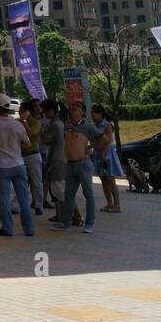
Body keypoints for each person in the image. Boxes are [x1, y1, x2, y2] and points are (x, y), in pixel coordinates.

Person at [0, 94, 35, 237]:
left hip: (1, 165)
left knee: (4, 198)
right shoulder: (17, 125)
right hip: (18, 164)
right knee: (23, 198)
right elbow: (28, 144)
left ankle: (7, 228)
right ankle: (29, 229)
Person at [52, 99, 104, 234]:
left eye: (77, 106)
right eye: (72, 105)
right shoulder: (67, 125)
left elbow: (104, 139)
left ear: (83, 112)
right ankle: (66, 222)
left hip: (84, 164)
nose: (73, 107)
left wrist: (91, 147)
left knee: (88, 194)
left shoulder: (87, 127)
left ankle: (89, 223)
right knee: (68, 195)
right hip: (70, 164)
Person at [90, 104, 122, 213]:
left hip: (107, 154)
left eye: (93, 112)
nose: (92, 115)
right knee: (103, 179)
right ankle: (109, 203)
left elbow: (109, 140)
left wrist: (104, 152)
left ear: (100, 113)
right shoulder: (94, 126)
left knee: (110, 179)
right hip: (97, 153)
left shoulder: (107, 125)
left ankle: (117, 205)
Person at [40, 100, 67, 224]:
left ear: (50, 111)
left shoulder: (54, 124)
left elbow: (45, 140)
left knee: (58, 190)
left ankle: (67, 216)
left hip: (56, 159)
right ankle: (60, 214)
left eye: (44, 111)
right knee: (57, 190)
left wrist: (42, 132)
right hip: (58, 158)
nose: (43, 114)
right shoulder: (60, 122)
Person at [19, 99, 44, 216]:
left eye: (22, 110)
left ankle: (39, 205)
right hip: (22, 155)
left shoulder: (36, 122)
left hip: (33, 154)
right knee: (21, 182)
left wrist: (24, 122)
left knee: (37, 182)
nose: (20, 112)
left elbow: (31, 134)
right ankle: (16, 204)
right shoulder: (18, 122)